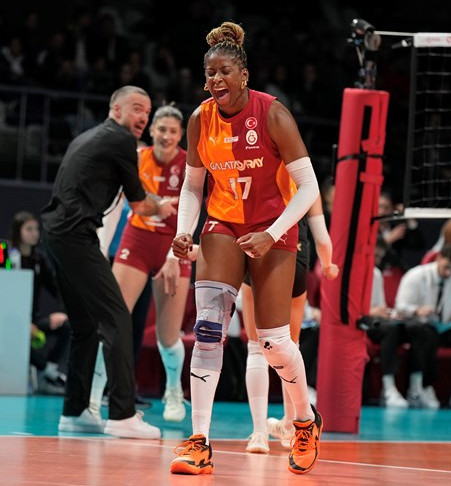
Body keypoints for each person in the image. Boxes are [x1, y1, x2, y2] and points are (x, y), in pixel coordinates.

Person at [170, 21, 322, 476]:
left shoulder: (273, 114)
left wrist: (272, 233)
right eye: (209, 73)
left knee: (273, 342)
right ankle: (199, 441)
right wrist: (184, 229)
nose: (216, 80)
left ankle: (304, 421)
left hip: (273, 228)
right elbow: (193, 186)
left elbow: (309, 187)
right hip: (222, 223)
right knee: (208, 329)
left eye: (224, 72)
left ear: (244, 76)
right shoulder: (200, 119)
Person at [40, 85, 178, 439]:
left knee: (85, 324)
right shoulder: (120, 141)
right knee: (117, 317)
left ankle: (74, 412)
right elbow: (140, 204)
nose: (143, 116)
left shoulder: (88, 137)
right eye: (136, 108)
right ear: (116, 109)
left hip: (56, 235)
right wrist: (162, 206)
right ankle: (122, 414)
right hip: (75, 236)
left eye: (147, 111)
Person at [88, 104, 197, 423]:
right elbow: (115, 204)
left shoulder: (189, 164)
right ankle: (93, 399)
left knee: (168, 335)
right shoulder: (136, 158)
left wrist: (174, 256)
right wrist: (102, 247)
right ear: (152, 130)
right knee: (112, 321)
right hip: (136, 241)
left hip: (173, 246)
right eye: (161, 129)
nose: (166, 136)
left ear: (180, 135)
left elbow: (194, 212)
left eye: (173, 131)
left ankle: (173, 391)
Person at [242, 196, 338, 454]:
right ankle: (290, 427)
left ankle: (259, 434)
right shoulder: (306, 184)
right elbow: (322, 238)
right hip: (294, 257)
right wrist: (328, 265)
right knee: (289, 345)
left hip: (257, 250)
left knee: (256, 348)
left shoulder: (257, 175)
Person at [360, 235, 438, 408]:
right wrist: (370, 312)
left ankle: (416, 388)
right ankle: (388, 388)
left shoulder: (376, 273)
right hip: (361, 322)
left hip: (379, 321)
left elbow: (380, 305)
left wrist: (388, 313)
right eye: (375, 255)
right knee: (390, 330)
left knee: (419, 328)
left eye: (380, 257)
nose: (378, 260)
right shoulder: (351, 272)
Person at [9, 210, 70, 395]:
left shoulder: (39, 260)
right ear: (18, 231)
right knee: (19, 336)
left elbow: (57, 289)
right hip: (11, 321)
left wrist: (62, 312)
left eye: (36, 229)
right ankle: (48, 372)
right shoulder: (9, 257)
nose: (34, 233)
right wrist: (23, 322)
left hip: (34, 320)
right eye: (29, 229)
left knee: (66, 326)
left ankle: (48, 372)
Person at [395, 244, 451, 408]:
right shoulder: (415, 276)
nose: (448, 272)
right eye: (446, 267)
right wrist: (417, 310)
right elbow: (400, 305)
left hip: (443, 328)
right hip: (414, 326)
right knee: (426, 333)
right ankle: (420, 388)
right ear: (439, 258)